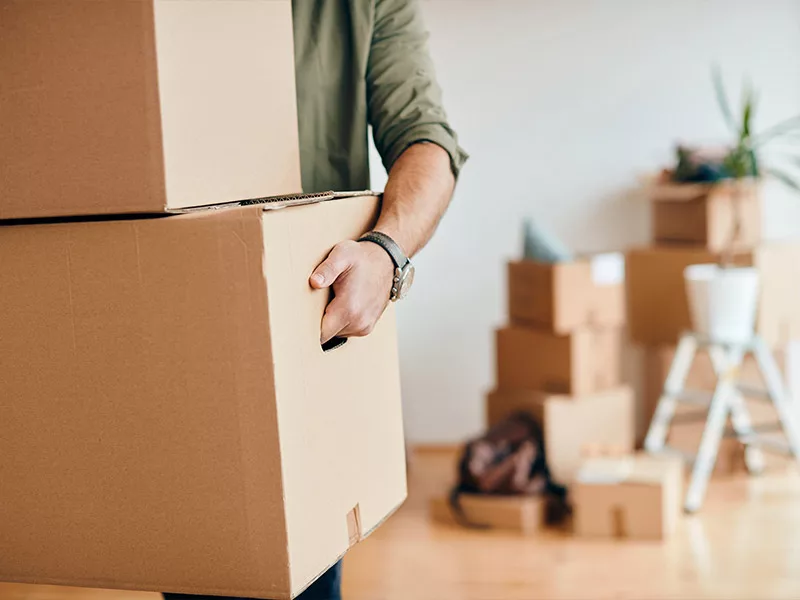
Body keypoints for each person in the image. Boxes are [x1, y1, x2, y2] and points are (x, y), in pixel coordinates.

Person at [164, 0, 465, 598]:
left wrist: (386, 251)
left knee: (303, 575)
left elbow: (428, 141)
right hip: (174, 322)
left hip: (305, 333)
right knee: (191, 567)